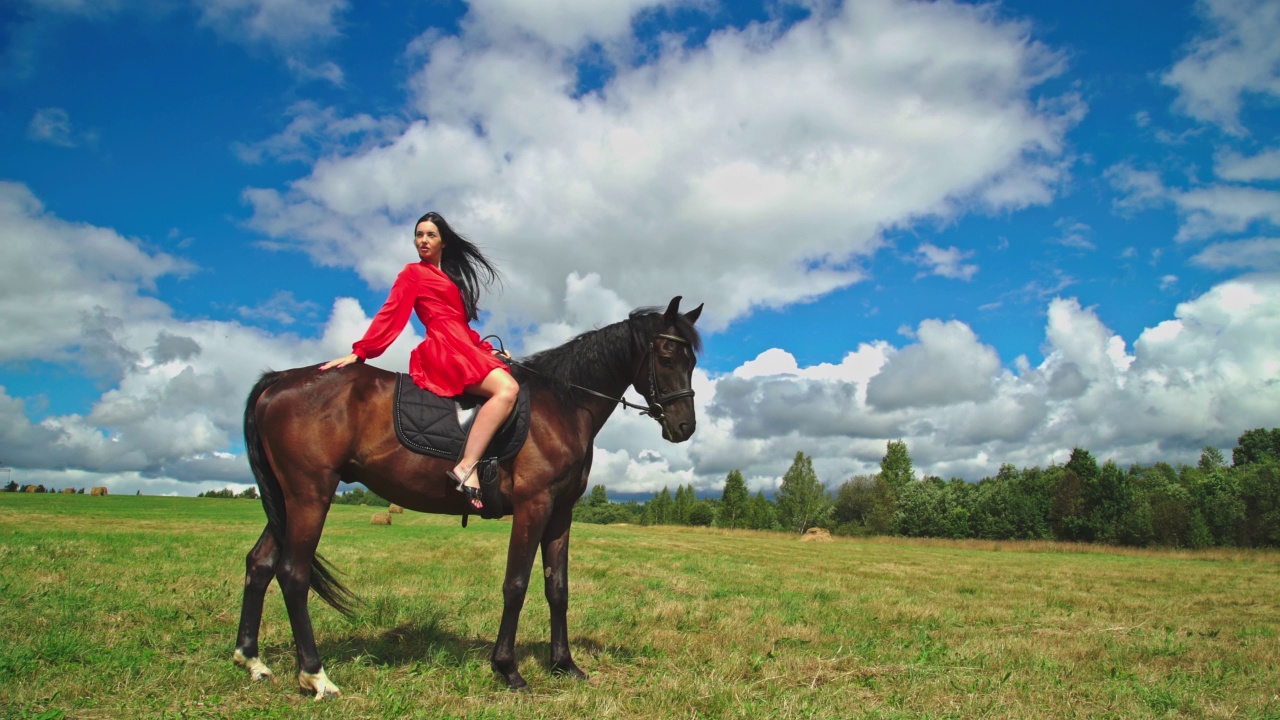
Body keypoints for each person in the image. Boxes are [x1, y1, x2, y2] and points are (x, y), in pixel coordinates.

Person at [320, 212, 517, 510]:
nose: (423, 240)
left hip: (463, 345)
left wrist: (488, 351)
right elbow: (391, 314)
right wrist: (361, 351)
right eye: (419, 235)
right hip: (443, 349)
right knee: (506, 390)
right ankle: (466, 466)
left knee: (508, 383)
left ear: (443, 242)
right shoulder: (413, 273)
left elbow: (461, 327)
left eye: (430, 235)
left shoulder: (451, 279)